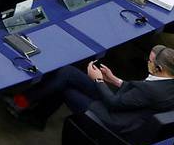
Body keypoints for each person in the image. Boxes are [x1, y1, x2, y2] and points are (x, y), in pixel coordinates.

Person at [15, 45, 174, 132]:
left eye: (150, 61)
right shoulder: (167, 82)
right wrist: (114, 80)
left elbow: (114, 103)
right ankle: (26, 104)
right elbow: (139, 95)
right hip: (125, 104)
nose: (147, 62)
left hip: (112, 116)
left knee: (66, 88)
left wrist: (98, 80)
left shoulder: (151, 90)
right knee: (68, 72)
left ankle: (26, 107)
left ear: (159, 68)